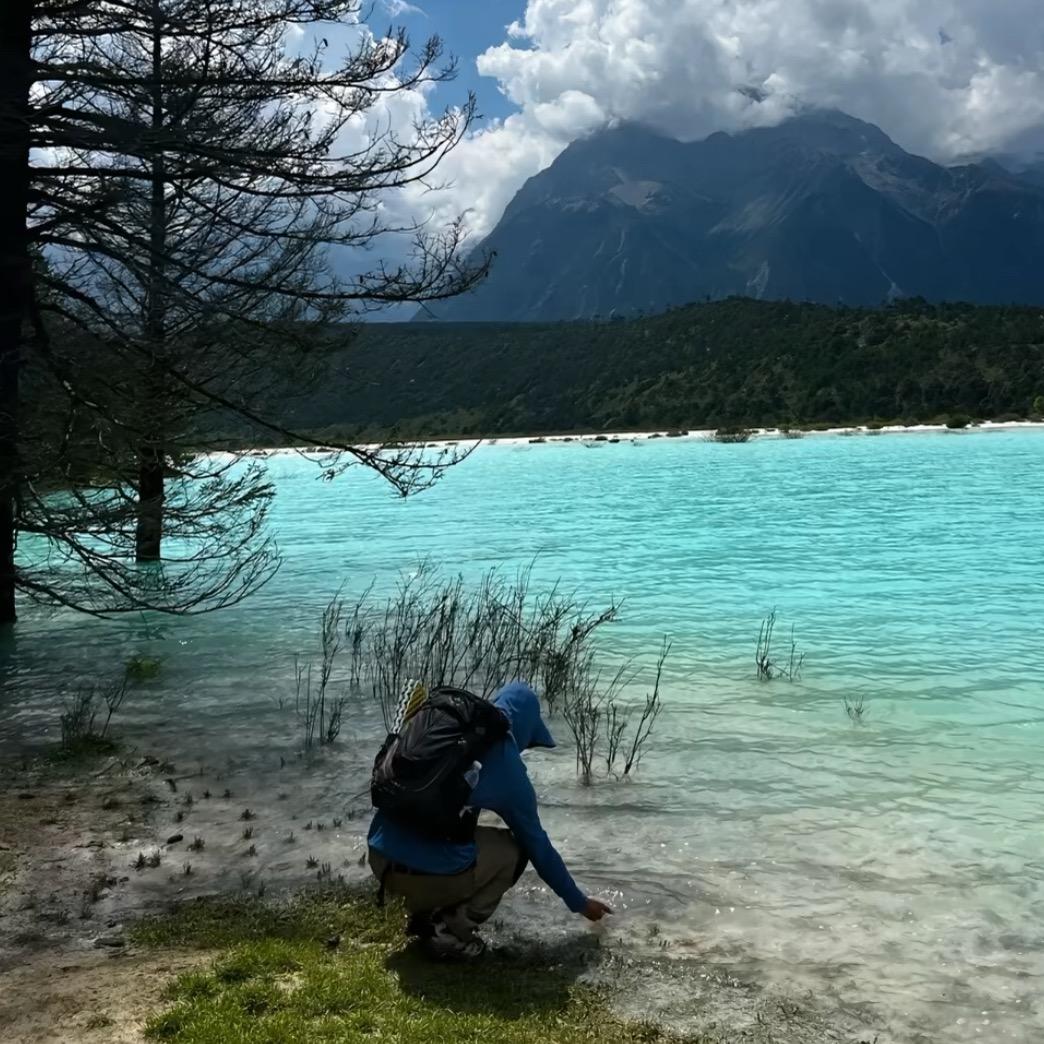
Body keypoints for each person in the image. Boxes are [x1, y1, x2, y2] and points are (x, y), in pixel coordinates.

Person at [368, 681, 613, 958]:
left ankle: (425, 914)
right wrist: (579, 903)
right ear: (525, 728)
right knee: (515, 851)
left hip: (380, 860)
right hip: (421, 879)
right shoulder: (510, 772)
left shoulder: (445, 730)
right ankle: (448, 932)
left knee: (446, 831)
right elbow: (540, 850)